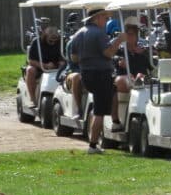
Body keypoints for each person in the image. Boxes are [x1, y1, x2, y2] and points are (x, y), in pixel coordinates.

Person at [71, 8, 126, 154]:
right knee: (99, 112)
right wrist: (119, 41)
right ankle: (93, 145)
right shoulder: (99, 33)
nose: (106, 21)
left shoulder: (78, 33)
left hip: (86, 74)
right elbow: (108, 53)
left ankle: (113, 123)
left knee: (109, 94)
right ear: (98, 18)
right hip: (101, 75)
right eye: (105, 18)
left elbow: (74, 58)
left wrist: (88, 56)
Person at [25, 25, 65, 107]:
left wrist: (61, 62)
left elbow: (64, 56)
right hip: (39, 66)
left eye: (55, 40)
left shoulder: (61, 42)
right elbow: (31, 61)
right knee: (30, 70)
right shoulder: (37, 42)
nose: (53, 42)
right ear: (45, 36)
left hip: (56, 67)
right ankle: (32, 99)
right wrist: (45, 65)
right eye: (51, 40)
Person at [114, 16, 151, 97]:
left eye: (134, 34)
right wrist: (119, 60)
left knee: (141, 76)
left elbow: (152, 67)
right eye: (129, 34)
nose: (132, 37)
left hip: (143, 85)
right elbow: (112, 59)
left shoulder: (143, 51)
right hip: (126, 84)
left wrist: (145, 53)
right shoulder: (119, 51)